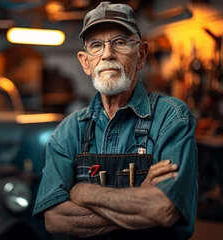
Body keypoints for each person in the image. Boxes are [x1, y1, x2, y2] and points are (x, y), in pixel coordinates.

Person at [32, 1, 198, 240]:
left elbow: (163, 209)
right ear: (85, 61)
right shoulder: (69, 130)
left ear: (141, 55)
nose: (108, 54)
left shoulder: (171, 118)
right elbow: (55, 219)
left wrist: (83, 192)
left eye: (120, 43)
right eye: (96, 45)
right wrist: (140, 199)